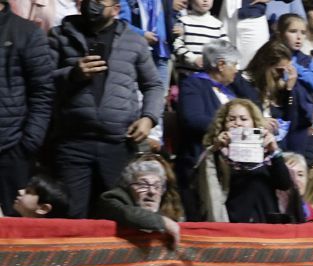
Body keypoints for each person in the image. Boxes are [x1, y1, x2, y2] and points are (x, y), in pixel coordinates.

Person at [49, 0, 164, 218]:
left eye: (99, 2)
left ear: (116, 9)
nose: (91, 6)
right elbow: (42, 82)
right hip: (73, 143)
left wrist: (148, 118)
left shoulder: (134, 40)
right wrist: (73, 74)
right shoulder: (59, 36)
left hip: (119, 143)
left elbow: (153, 85)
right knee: (72, 215)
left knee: (119, 214)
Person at [176, 41, 251, 217]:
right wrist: (226, 128)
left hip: (234, 162)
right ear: (221, 65)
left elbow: (253, 100)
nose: (237, 70)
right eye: (234, 65)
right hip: (202, 161)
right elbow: (192, 120)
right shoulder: (193, 84)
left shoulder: (231, 90)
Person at [198, 98, 297, 222]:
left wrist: (275, 151)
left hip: (267, 223)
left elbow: (284, 184)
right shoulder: (216, 153)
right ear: (223, 124)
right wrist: (216, 148)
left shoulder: (266, 151)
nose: (237, 123)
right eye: (231, 119)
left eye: (243, 119)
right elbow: (205, 183)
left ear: (254, 123)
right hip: (234, 224)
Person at [0, 0, 54, 217]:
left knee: (12, 233)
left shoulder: (26, 32)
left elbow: (43, 92)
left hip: (10, 150)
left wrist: (27, 144)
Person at [236, 39, 313, 154]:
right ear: (265, 66)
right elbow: (236, 126)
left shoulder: (281, 88)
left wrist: (289, 90)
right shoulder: (242, 84)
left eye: (286, 70)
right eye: (279, 70)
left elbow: (290, 120)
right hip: (249, 147)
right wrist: (259, 122)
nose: (282, 75)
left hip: (277, 149)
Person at [96, 157, 182, 247]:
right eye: (143, 185)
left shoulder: (162, 212)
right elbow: (127, 213)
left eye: (157, 186)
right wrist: (163, 222)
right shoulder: (111, 199)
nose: (152, 191)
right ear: (128, 186)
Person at [172, 0, 227, 74]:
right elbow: (176, 45)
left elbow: (226, 49)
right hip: (186, 75)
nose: (205, 1)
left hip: (210, 76)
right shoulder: (183, 22)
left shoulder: (218, 25)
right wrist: (193, 59)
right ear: (191, 1)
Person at [276, 13, 313, 93]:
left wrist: (296, 68)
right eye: (293, 31)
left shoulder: (308, 60)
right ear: (280, 35)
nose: (299, 37)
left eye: (303, 32)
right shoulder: (271, 57)